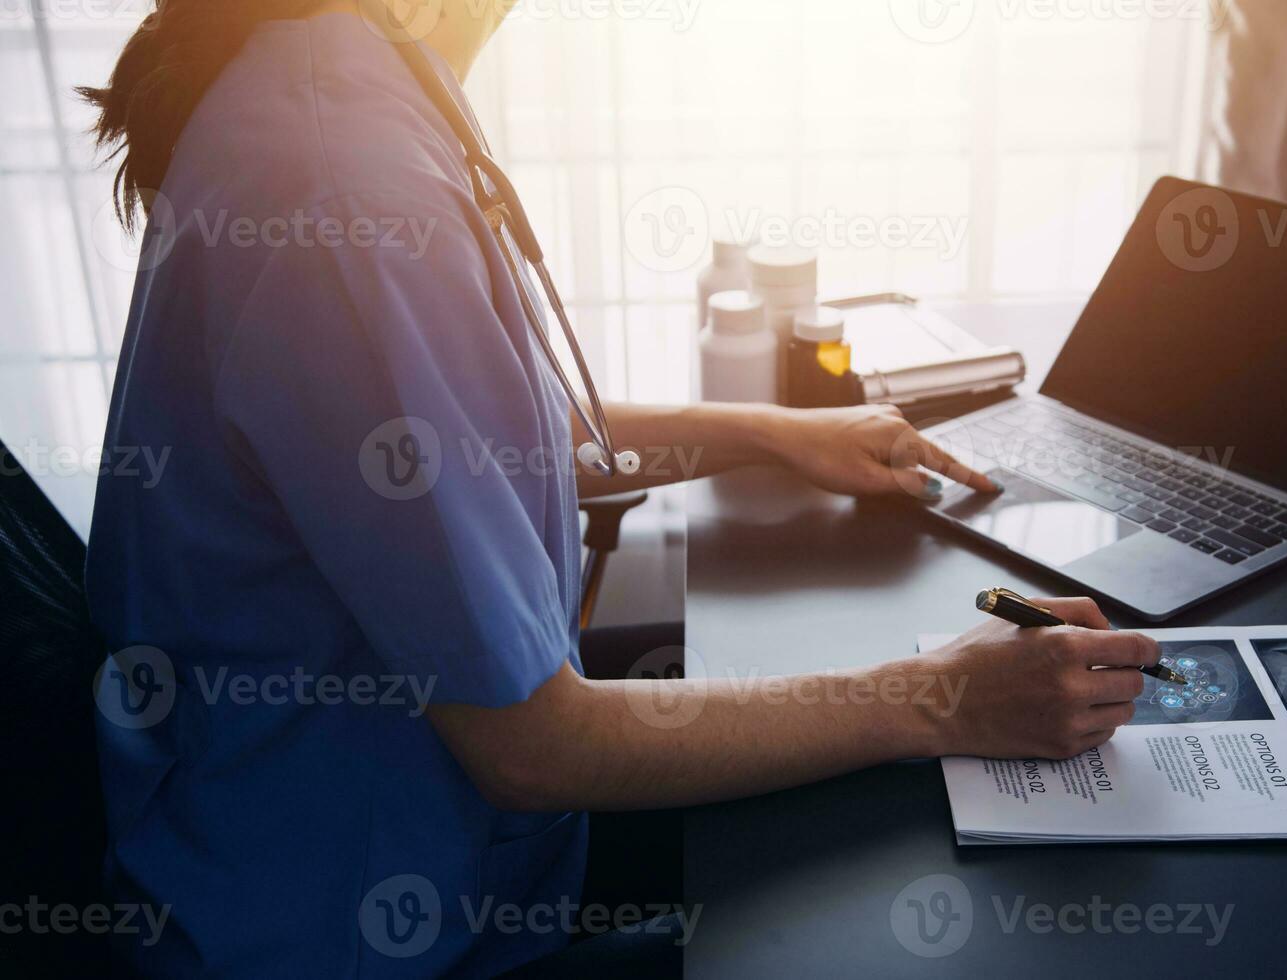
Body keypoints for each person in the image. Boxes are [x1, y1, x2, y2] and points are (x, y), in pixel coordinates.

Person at [80, 2, 1160, 975]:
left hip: (408, 847)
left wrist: (765, 433)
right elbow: (532, 744)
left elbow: (452, 437)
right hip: (348, 935)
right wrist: (943, 696)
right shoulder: (342, 181)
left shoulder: (341, 75)